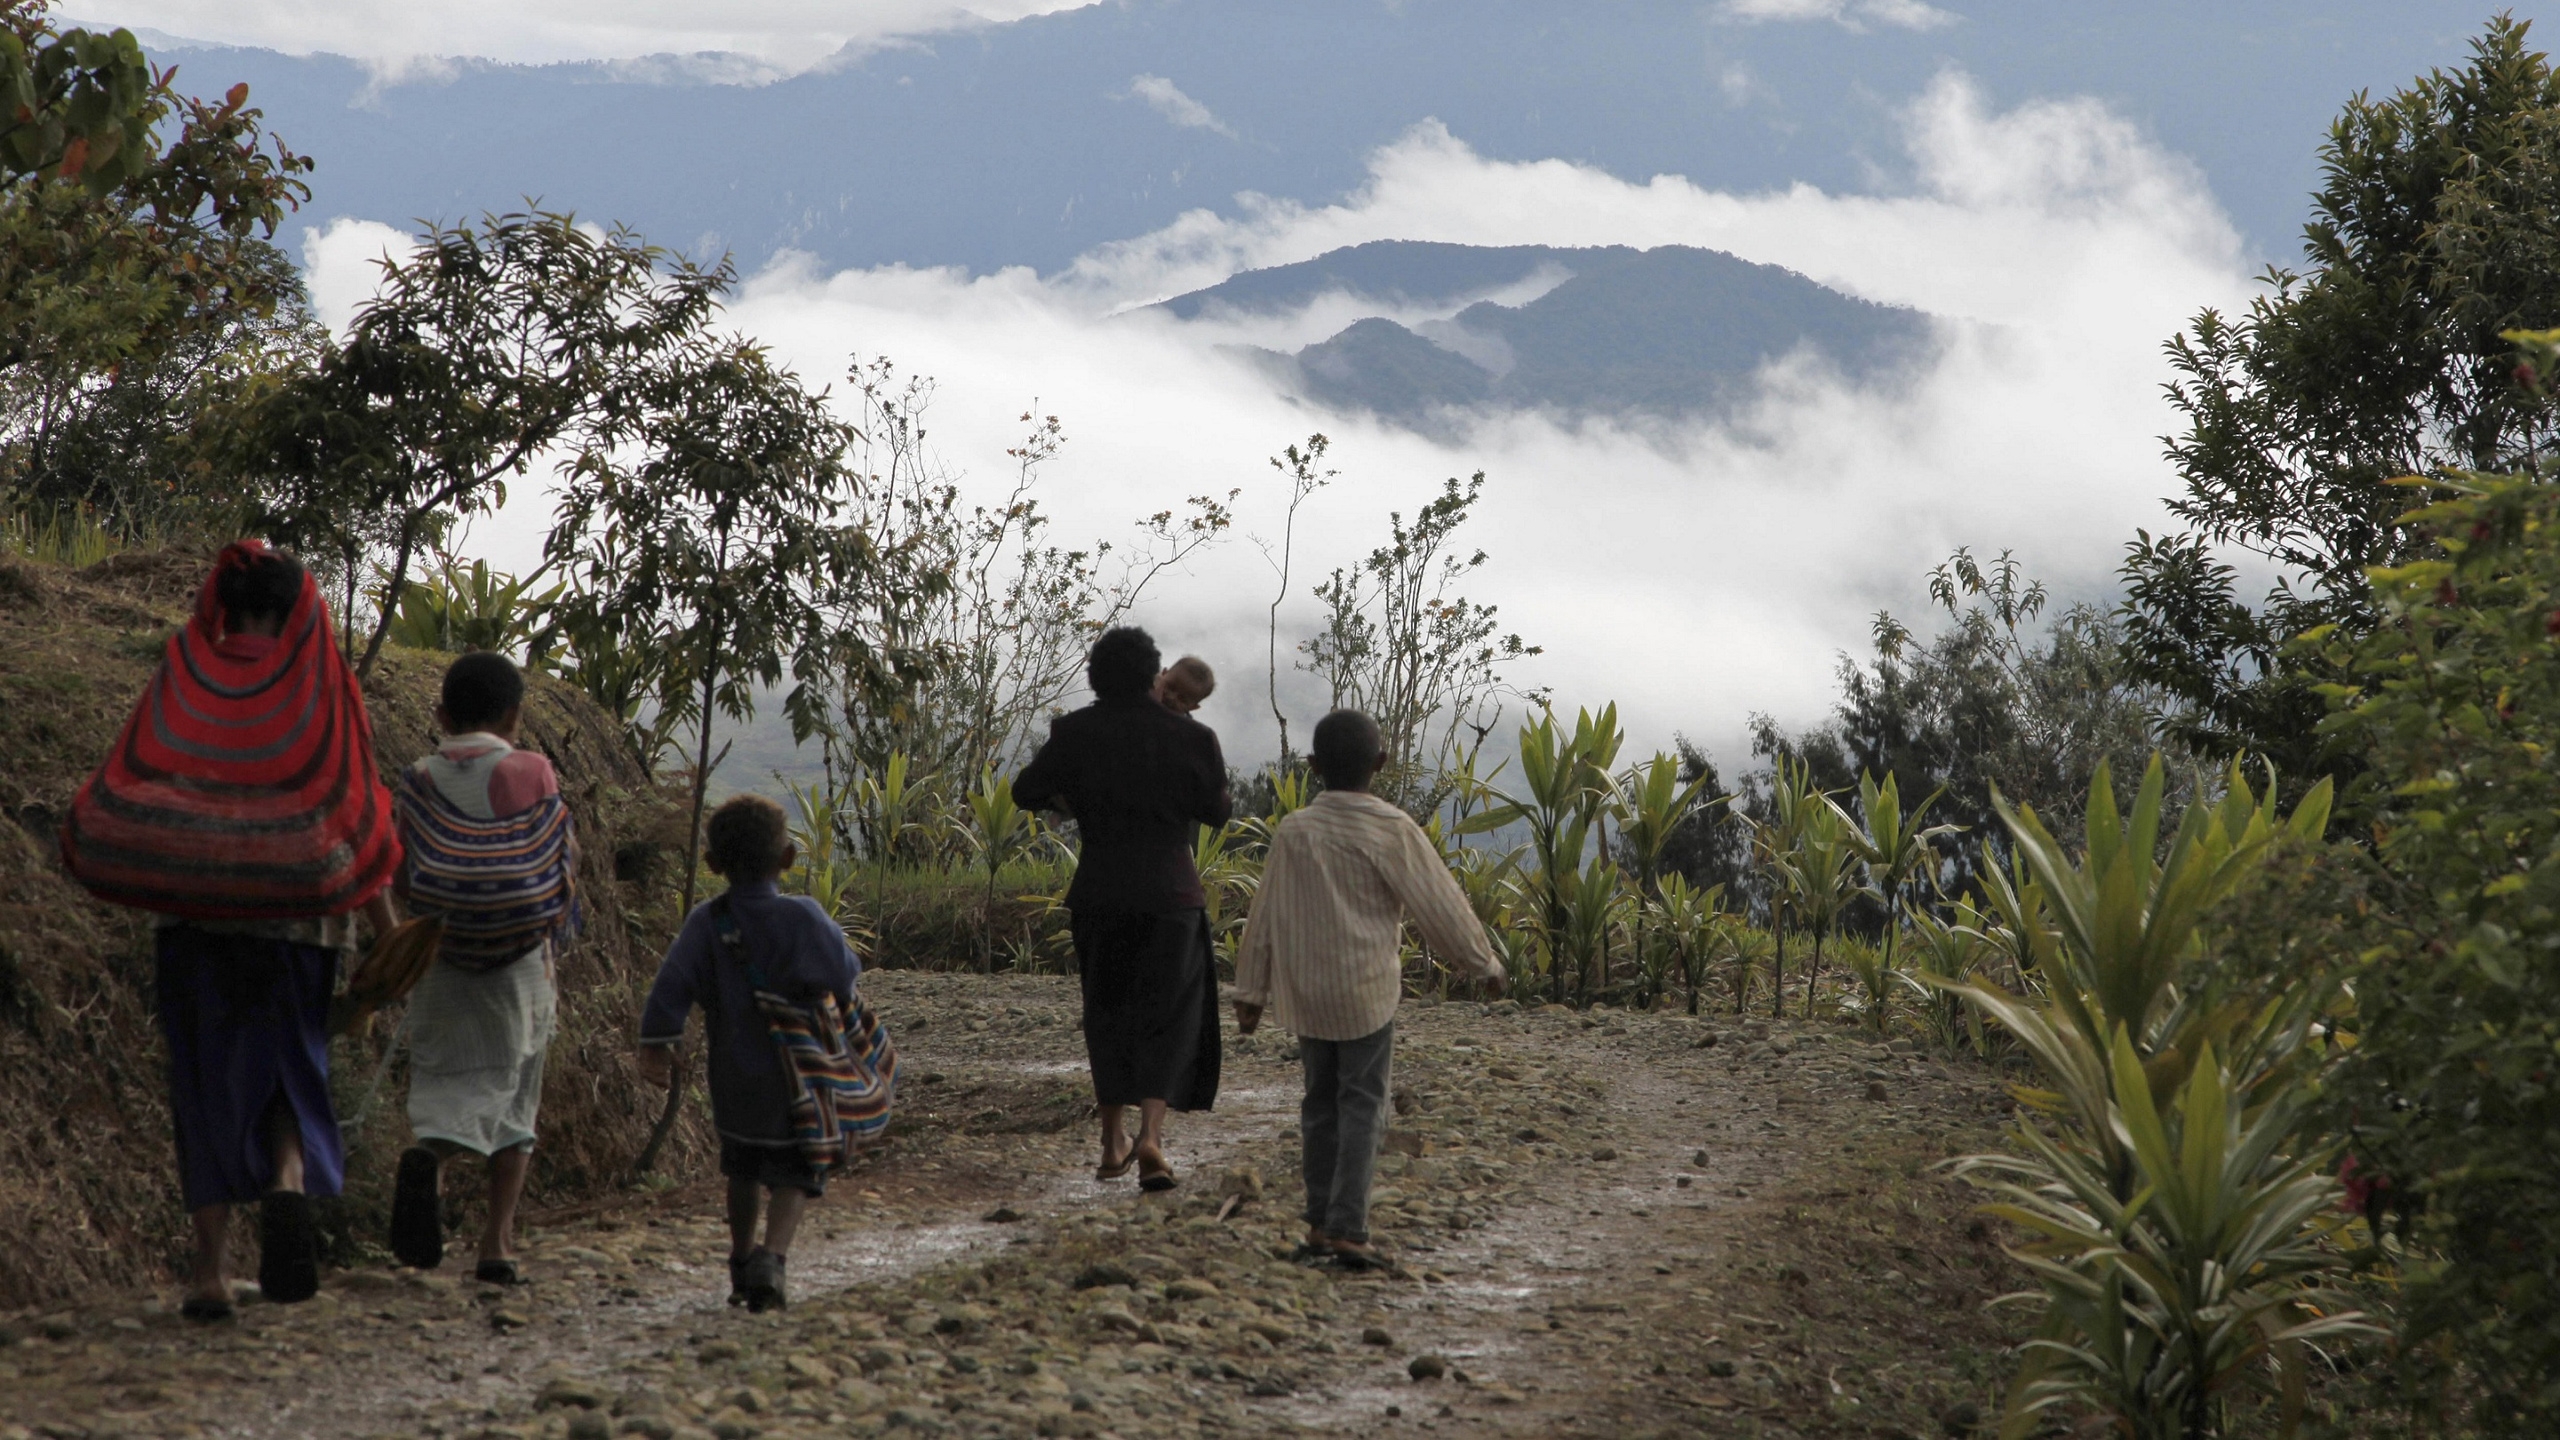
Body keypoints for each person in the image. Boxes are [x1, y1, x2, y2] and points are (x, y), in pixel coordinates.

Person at [59, 541, 403, 1320]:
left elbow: (144, 764)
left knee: (203, 1083)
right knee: (288, 1074)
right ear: (296, 610)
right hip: (300, 926)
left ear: (227, 603)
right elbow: (355, 803)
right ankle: (287, 1183)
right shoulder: (321, 682)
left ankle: (210, 1273)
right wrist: (389, 931)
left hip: (195, 917)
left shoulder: (188, 670)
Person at [1231, 709, 1507, 1271]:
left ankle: (1318, 1224)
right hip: (1365, 993)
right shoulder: (1390, 828)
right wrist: (1483, 963)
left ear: (1312, 766)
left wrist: (1251, 991)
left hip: (1309, 993)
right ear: (1380, 763)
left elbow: (1265, 912)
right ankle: (1348, 1228)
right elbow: (1439, 904)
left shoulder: (1294, 831)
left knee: (1319, 1104)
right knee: (1363, 1105)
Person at [1015, 626, 1230, 1191]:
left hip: (1101, 894)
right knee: (1168, 1014)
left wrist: (1070, 798)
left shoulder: (1074, 732)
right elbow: (1217, 812)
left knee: (1107, 1012)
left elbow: (1024, 791)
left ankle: (1112, 1140)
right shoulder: (1193, 737)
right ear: (1154, 673)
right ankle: (1151, 1136)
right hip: (1171, 897)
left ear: (1096, 676)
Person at [388, 650, 576, 1284]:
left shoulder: (419, 777)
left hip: (441, 956)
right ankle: (496, 1244)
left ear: (442, 715)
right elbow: (558, 863)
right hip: (521, 964)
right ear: (514, 716)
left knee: (444, 1080)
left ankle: (432, 1158)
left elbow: (402, 873)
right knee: (518, 1094)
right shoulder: (532, 770)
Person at [636, 795, 862, 1313]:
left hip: (733, 1078)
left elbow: (671, 986)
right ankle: (772, 1258)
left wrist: (656, 1045)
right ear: (787, 858)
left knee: (741, 1168)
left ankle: (740, 1259)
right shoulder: (803, 917)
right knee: (796, 1170)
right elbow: (844, 972)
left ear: (713, 864)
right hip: (798, 1075)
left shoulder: (707, 922)